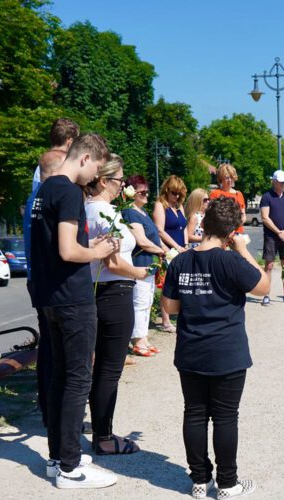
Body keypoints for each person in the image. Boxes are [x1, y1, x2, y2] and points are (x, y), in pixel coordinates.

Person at [160, 197, 270, 500]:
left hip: (191, 350)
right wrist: (243, 249)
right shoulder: (231, 260)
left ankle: (199, 479)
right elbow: (263, 286)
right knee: (225, 416)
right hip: (226, 351)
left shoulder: (180, 261)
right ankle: (227, 483)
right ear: (231, 232)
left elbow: (170, 307)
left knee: (194, 413)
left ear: (205, 224)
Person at [28, 133, 120, 489]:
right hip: (72, 300)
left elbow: (56, 246)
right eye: (96, 167)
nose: (96, 176)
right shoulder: (68, 191)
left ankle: (58, 458)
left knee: (59, 378)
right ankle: (70, 467)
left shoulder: (46, 189)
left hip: (51, 297)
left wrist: (90, 243)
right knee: (78, 379)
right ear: (84, 158)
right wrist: (98, 252)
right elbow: (68, 252)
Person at [84, 154, 150, 456]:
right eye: (119, 180)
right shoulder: (102, 212)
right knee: (109, 370)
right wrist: (139, 272)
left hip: (102, 291)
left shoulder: (92, 209)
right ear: (103, 181)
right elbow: (111, 262)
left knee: (101, 368)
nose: (123, 185)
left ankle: (101, 430)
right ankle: (104, 436)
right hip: (115, 290)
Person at [24, 118, 79, 428]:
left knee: (49, 343)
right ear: (70, 142)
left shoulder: (39, 176)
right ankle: (54, 412)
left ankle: (50, 407)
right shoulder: (54, 177)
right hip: (50, 274)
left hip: (37, 271)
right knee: (57, 348)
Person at [122, 175, 169, 354]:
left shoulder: (142, 212)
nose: (146, 195)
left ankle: (143, 337)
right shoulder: (130, 212)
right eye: (142, 192)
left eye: (147, 192)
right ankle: (138, 340)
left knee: (147, 300)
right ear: (132, 193)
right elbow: (141, 240)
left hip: (150, 263)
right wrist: (162, 251)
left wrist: (163, 249)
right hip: (139, 262)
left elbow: (154, 236)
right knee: (140, 301)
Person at [153, 175, 189, 331]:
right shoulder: (160, 205)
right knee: (167, 285)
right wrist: (176, 247)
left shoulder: (179, 206)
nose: (177, 197)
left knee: (181, 284)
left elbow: (184, 227)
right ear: (167, 190)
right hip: (167, 250)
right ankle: (165, 320)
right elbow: (159, 230)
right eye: (174, 193)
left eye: (180, 194)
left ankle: (180, 314)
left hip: (181, 249)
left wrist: (185, 245)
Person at [259, 169, 284, 306]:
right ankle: (266, 294)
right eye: (280, 182)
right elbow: (265, 217)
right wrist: (278, 232)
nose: (283, 185)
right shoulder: (267, 197)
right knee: (269, 265)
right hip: (271, 236)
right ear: (274, 182)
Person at [210, 163, 246, 234]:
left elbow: (243, 214)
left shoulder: (238, 194)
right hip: (221, 232)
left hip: (237, 232)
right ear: (221, 179)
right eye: (227, 178)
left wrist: (237, 225)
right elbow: (212, 215)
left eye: (231, 177)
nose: (229, 180)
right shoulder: (215, 194)